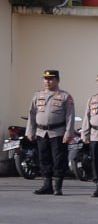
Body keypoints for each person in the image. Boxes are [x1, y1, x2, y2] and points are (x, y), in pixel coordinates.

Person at [27, 68, 76, 196]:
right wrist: (30, 131)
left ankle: (57, 187)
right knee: (44, 159)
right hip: (41, 132)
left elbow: (70, 116)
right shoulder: (38, 95)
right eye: (46, 79)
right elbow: (32, 114)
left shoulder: (65, 96)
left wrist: (68, 133)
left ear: (57, 80)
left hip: (58, 132)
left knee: (58, 159)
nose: (48, 81)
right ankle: (46, 185)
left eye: (51, 79)